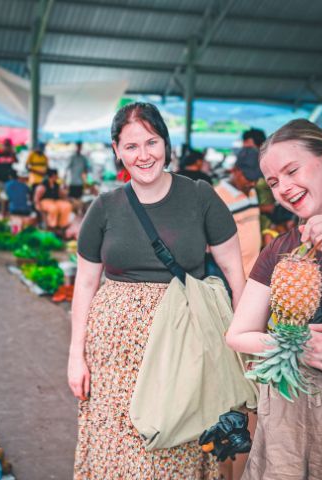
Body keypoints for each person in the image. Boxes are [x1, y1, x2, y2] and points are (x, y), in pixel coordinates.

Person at [69, 102, 246, 479]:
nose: (143, 155)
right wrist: (75, 356)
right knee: (116, 446)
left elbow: (235, 275)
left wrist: (243, 342)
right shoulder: (104, 207)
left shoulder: (200, 197)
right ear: (116, 150)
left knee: (173, 444)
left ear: (166, 143)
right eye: (131, 146)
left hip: (184, 348)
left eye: (151, 142)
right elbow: (85, 285)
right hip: (113, 360)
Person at [225, 119, 322, 479]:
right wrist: (297, 344)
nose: (284, 188)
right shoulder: (280, 248)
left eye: (291, 171)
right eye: (273, 182)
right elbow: (238, 334)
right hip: (288, 408)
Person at [214, 146, 261, 276]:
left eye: (256, 179)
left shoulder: (251, 190)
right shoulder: (217, 196)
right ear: (235, 170)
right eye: (249, 178)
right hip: (232, 276)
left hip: (253, 272)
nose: (253, 183)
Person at [0, 139, 17, 213]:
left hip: (8, 180)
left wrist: (13, 153)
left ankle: (4, 211)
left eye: (8, 146)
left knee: (5, 197)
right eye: (5, 145)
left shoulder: (12, 155)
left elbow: (16, 163)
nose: (6, 147)